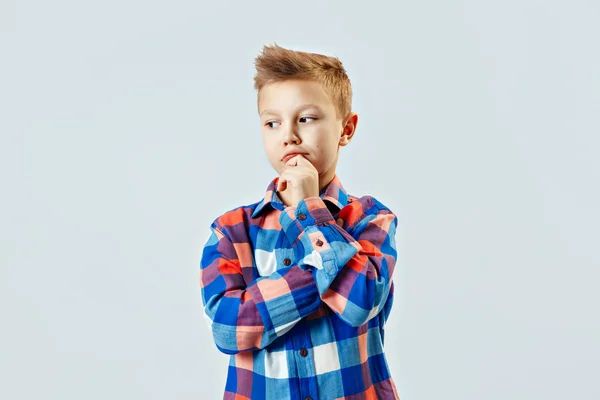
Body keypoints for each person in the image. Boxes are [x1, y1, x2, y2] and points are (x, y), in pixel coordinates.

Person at [199, 43, 400, 400]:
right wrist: (322, 269)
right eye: (273, 122)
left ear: (346, 129)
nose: (289, 134)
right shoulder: (232, 230)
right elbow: (229, 330)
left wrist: (308, 212)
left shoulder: (370, 219)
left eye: (305, 118)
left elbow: (359, 302)